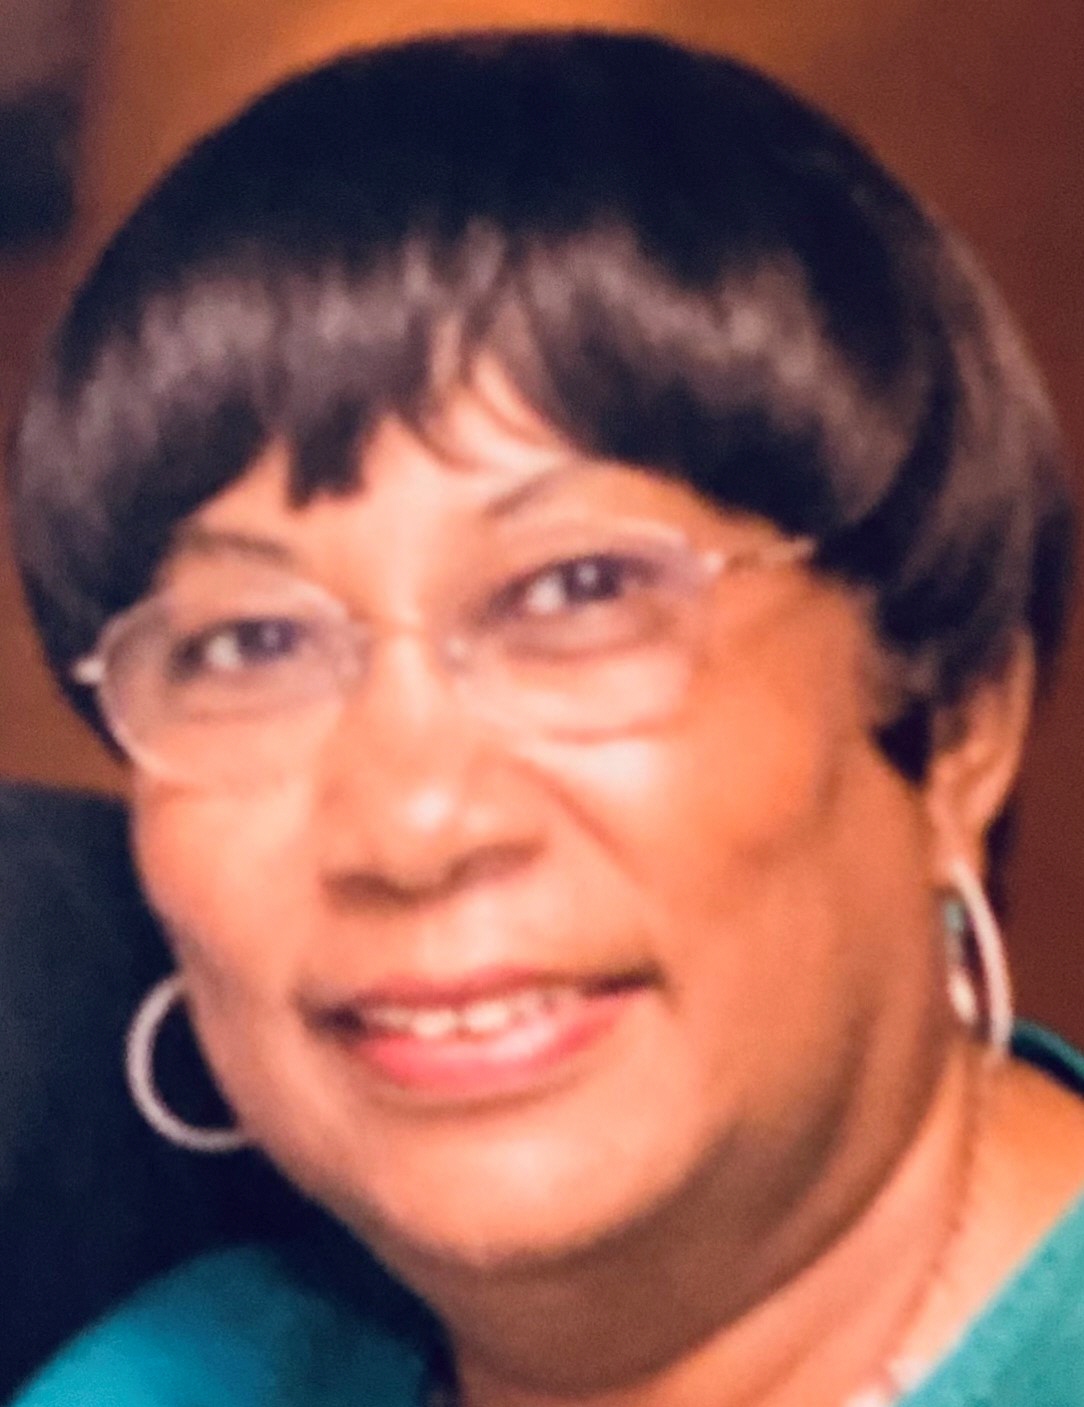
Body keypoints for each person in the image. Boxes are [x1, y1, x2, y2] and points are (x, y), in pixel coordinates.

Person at [6, 28, 1084, 1407]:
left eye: (577, 593)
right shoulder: (156, 1380)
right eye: (249, 643)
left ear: (955, 727)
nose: (412, 823)